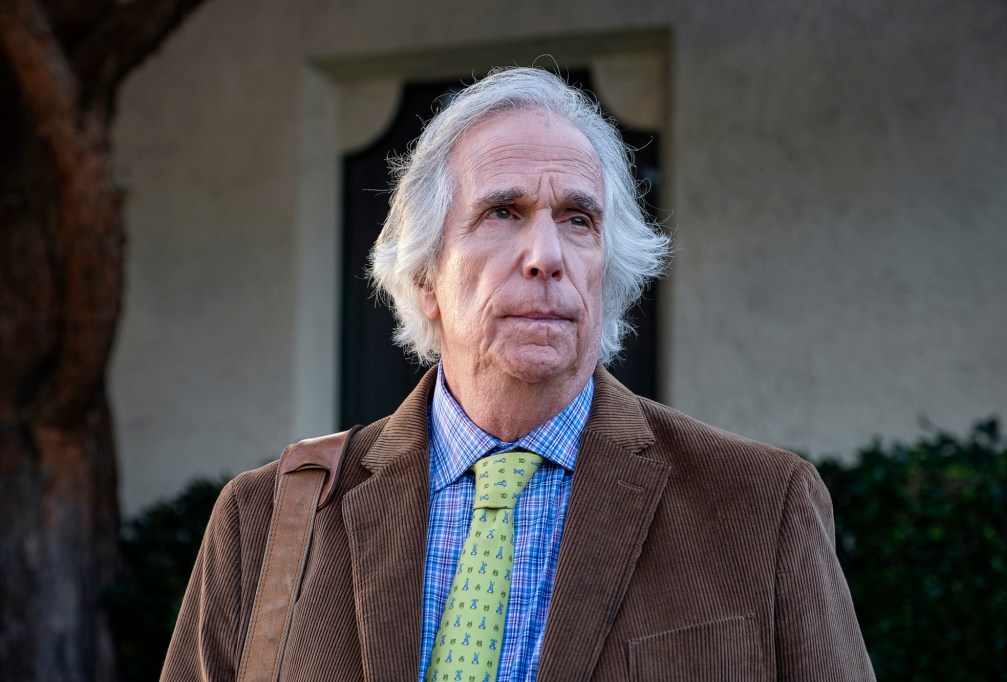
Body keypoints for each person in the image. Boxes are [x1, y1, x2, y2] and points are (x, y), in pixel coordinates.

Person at [162, 67, 875, 681]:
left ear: (608, 270)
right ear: (426, 276)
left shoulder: (759, 507)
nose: (545, 255)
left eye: (577, 220)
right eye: (503, 212)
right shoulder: (269, 522)